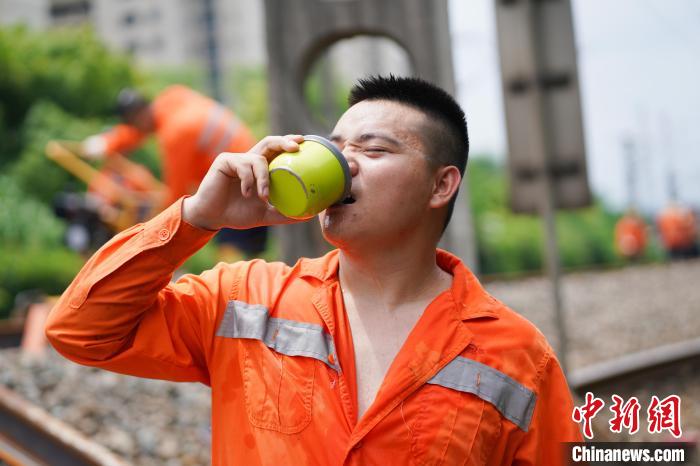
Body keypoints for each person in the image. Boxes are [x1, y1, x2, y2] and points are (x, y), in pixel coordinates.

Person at [46, 76, 582, 465]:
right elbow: (79, 331)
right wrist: (193, 218)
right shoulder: (245, 300)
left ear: (441, 185)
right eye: (335, 147)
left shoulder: (518, 359)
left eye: (373, 149)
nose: (344, 162)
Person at [82, 85, 268, 258]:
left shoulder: (176, 135)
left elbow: (178, 195)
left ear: (138, 117)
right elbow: (139, 131)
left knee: (232, 250)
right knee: (249, 248)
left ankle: (238, 290)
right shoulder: (172, 99)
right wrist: (108, 142)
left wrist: (156, 230)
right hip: (249, 163)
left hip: (239, 181)